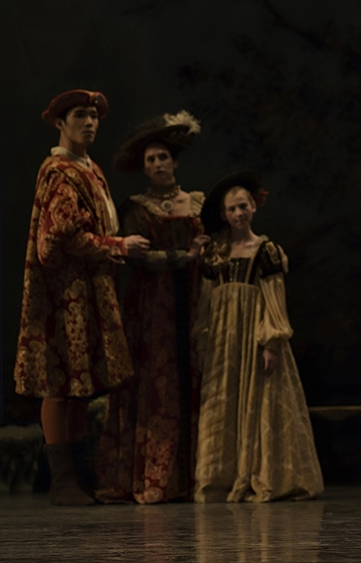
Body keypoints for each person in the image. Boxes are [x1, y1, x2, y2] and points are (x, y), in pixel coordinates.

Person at [14, 89, 149, 505]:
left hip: (89, 289)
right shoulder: (59, 170)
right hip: (64, 293)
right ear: (60, 122)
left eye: (94, 116)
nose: (89, 122)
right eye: (80, 115)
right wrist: (118, 245)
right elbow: (57, 238)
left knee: (79, 383)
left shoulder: (86, 167)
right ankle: (62, 481)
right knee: (60, 380)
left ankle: (74, 477)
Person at [95, 110, 210, 504]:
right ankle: (155, 475)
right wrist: (184, 256)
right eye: (150, 160)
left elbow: (211, 249)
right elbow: (139, 258)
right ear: (144, 169)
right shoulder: (137, 207)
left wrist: (202, 256)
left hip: (194, 302)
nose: (158, 164)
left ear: (175, 162)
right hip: (153, 307)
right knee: (156, 382)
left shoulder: (197, 204)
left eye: (163, 157)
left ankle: (197, 476)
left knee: (194, 376)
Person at [192, 171, 323, 502]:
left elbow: (273, 298)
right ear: (224, 214)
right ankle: (220, 477)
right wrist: (204, 337)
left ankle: (261, 474)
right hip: (224, 340)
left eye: (244, 206)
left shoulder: (265, 250)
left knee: (260, 402)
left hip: (253, 335)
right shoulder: (216, 253)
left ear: (253, 208)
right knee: (222, 404)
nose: (239, 214)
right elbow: (206, 300)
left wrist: (271, 342)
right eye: (232, 209)